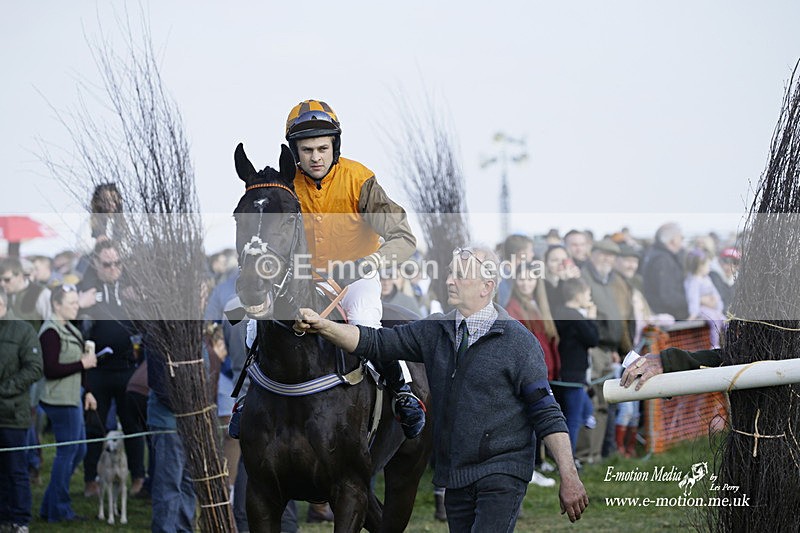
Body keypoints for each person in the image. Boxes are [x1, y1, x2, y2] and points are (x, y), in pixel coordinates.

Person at [295, 245, 588, 530]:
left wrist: (570, 475)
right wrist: (324, 325)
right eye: (449, 273)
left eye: (460, 274)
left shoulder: (519, 342)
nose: (449, 280)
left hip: (503, 473)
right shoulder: (435, 330)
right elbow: (375, 342)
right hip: (455, 474)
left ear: (486, 286)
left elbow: (547, 412)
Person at [280, 98, 424, 439]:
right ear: (294, 152)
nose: (315, 157)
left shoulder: (359, 179)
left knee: (365, 324)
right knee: (257, 329)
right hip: (306, 278)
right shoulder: (286, 187)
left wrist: (367, 264)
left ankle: (403, 392)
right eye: (306, 150)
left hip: (357, 275)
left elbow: (403, 237)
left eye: (322, 148)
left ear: (335, 146)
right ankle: (245, 398)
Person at [77, 240, 145, 497]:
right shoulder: (87, 289)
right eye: (107, 264)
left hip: (128, 366)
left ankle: (138, 476)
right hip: (98, 370)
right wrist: (81, 305)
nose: (114, 268)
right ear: (96, 263)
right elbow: (70, 320)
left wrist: (139, 301)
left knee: (132, 424)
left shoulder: (131, 286)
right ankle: (90, 478)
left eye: (118, 263)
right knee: (95, 425)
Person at [38, 284, 98, 522]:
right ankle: (59, 510)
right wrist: (82, 365)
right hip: (60, 400)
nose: (76, 306)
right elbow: (50, 369)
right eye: (71, 303)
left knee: (78, 449)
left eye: (76, 302)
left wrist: (88, 391)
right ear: (56, 305)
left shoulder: (69, 328)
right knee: (67, 452)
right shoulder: (51, 332)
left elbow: (81, 362)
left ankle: (49, 506)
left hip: (74, 396)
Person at [0, 287, 43, 533]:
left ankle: (20, 519)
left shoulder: (23, 330)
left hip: (13, 413)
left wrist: (6, 388)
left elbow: (35, 368)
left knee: (16, 469)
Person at [553, 278, 599, 458]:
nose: (589, 298)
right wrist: (591, 318)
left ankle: (569, 456)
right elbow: (593, 338)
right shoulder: (574, 315)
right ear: (579, 294)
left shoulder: (562, 312)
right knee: (573, 417)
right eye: (587, 294)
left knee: (584, 410)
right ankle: (567, 460)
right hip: (572, 373)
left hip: (569, 372)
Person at [642, 223, 690, 320]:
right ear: (673, 240)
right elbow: (668, 296)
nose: (682, 242)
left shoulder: (658, 255)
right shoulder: (662, 260)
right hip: (669, 319)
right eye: (681, 238)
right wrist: (693, 301)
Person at [684, 248, 726, 348]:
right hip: (702, 309)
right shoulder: (693, 281)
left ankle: (730, 342)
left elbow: (715, 292)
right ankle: (715, 345)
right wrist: (693, 313)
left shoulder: (707, 279)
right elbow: (693, 298)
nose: (709, 267)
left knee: (724, 321)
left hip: (713, 308)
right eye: (707, 265)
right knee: (715, 321)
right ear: (700, 266)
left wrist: (717, 303)